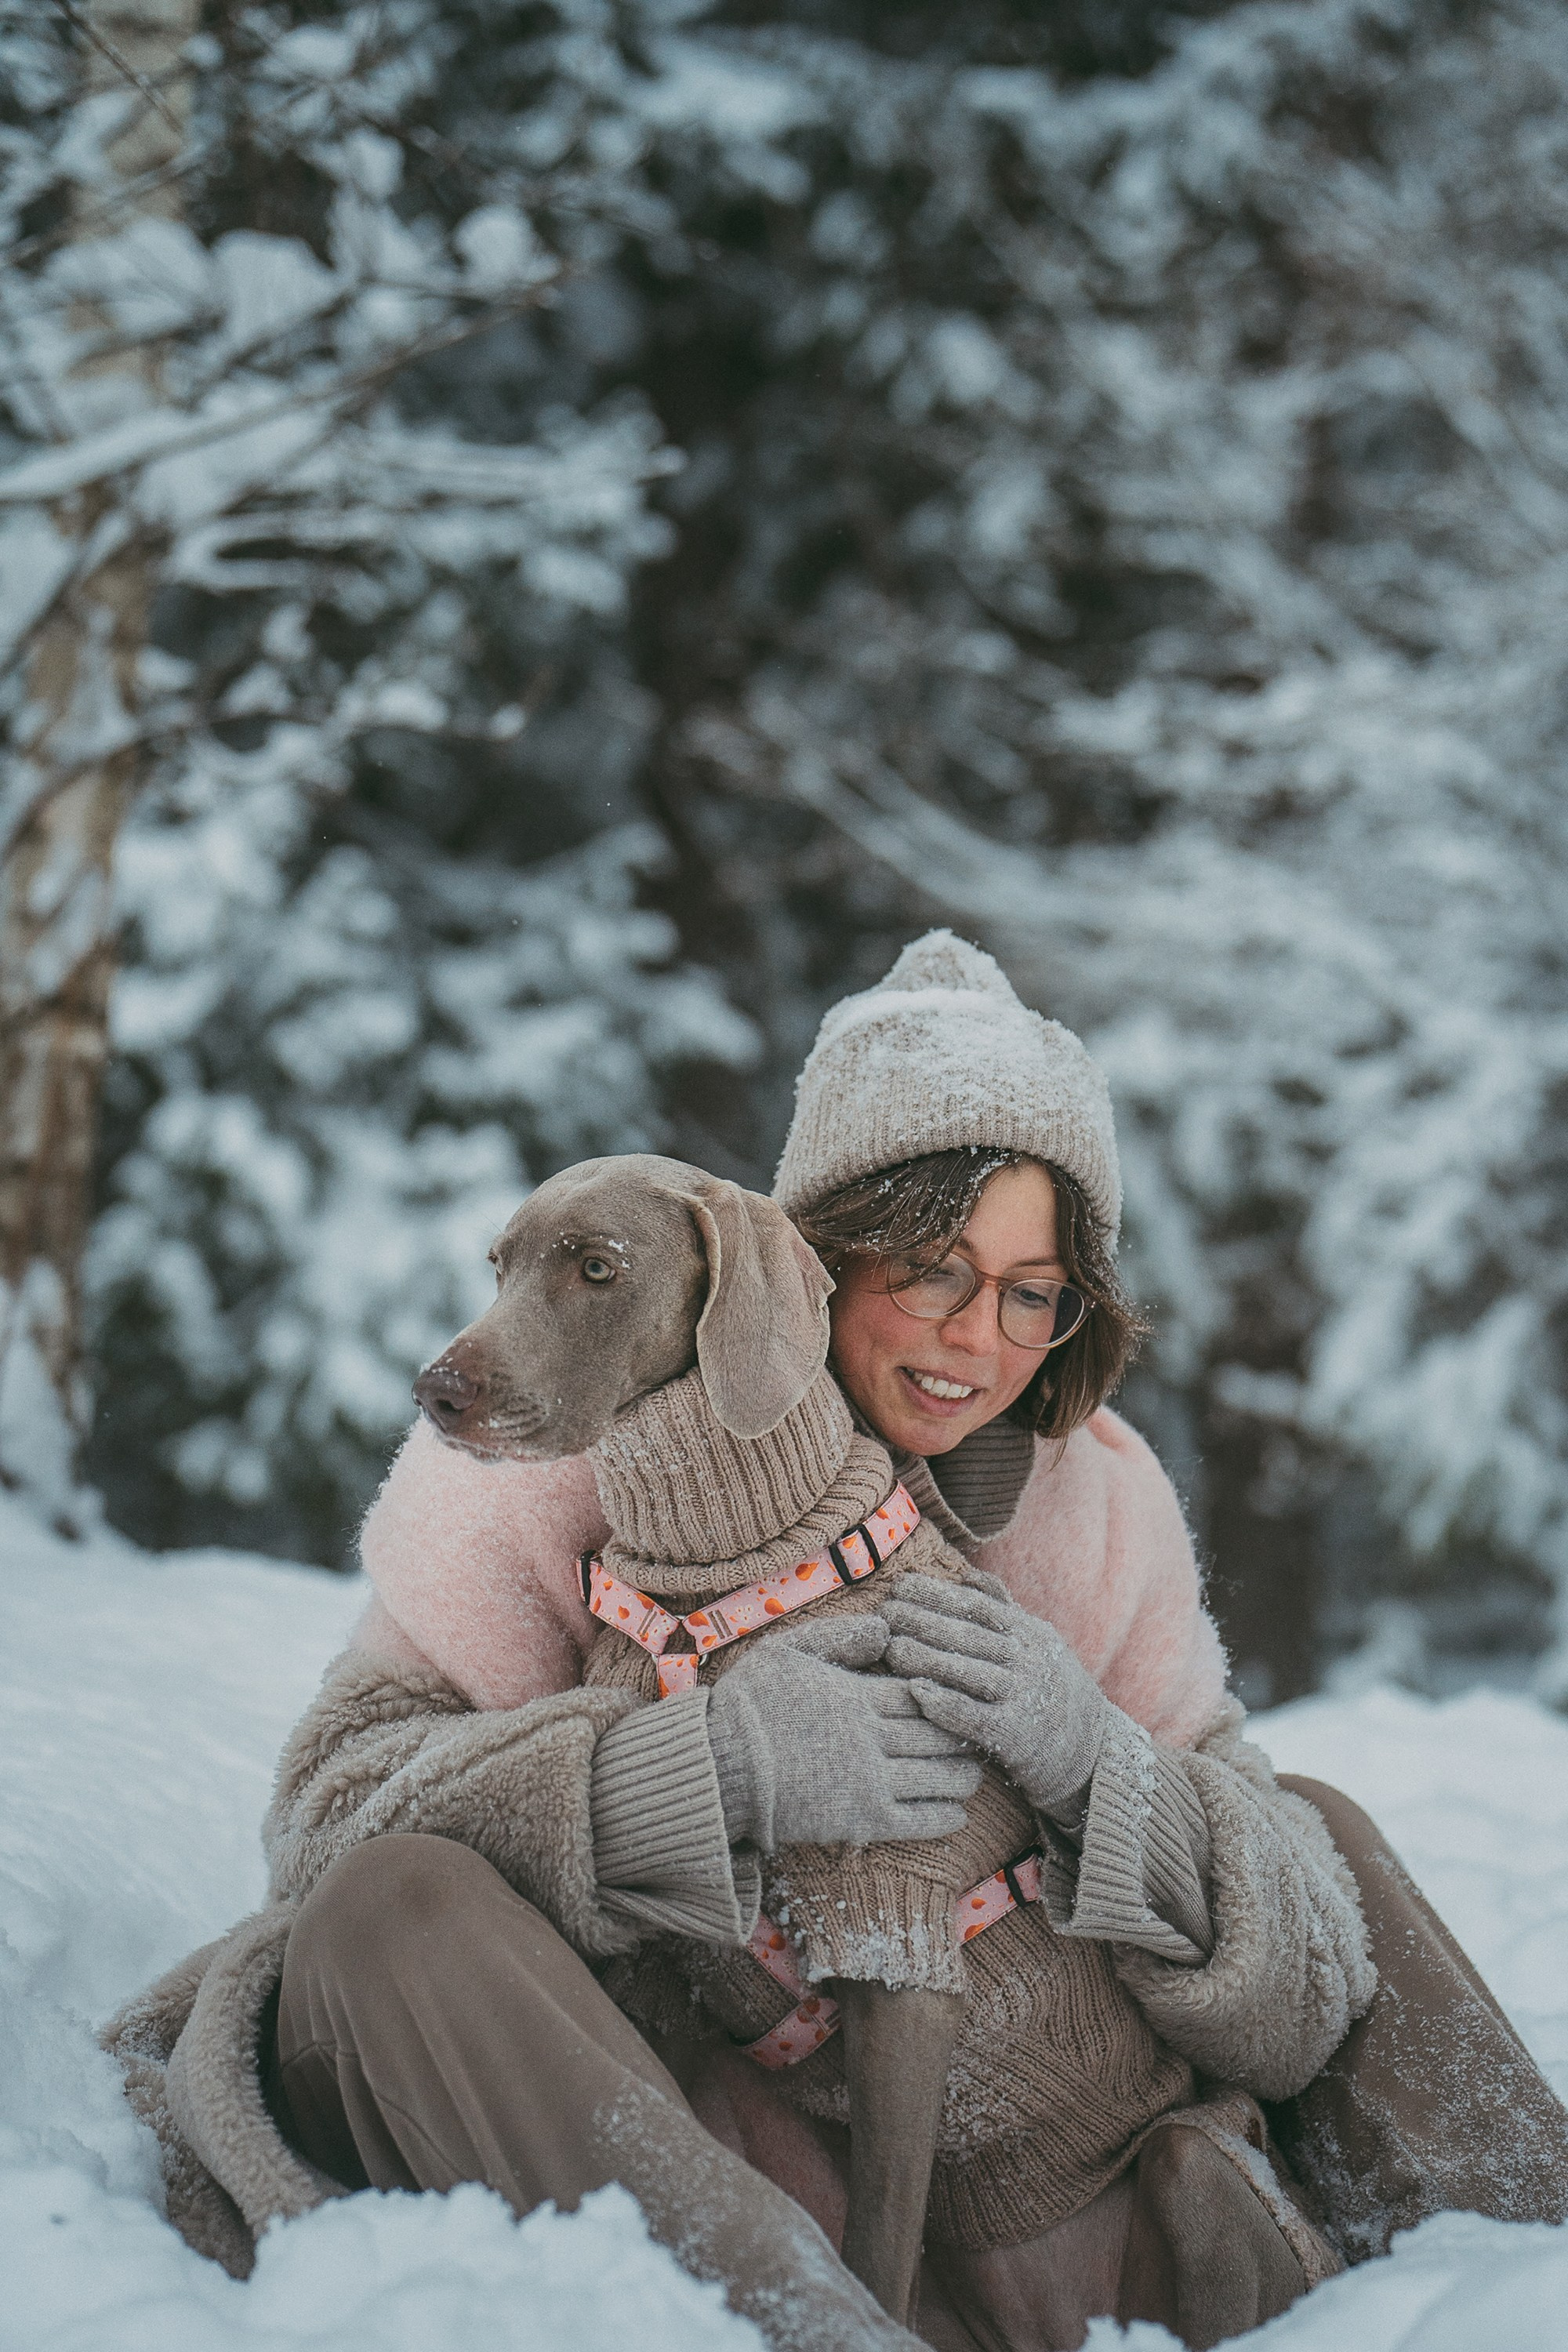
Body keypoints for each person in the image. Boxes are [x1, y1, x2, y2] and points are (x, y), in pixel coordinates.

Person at [107, 931, 1568, 2352]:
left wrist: (1103, 1776)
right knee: (386, 1907)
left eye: (1030, 1293)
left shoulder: (1091, 1504)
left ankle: (1526, 2281)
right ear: (804, 1261)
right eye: (928, 1266)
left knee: (1313, 1834)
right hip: (694, 2156)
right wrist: (691, 1772)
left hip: (1077, 2213)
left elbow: (1300, 1987)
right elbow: (325, 1824)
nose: (972, 1339)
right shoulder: (551, 1447)